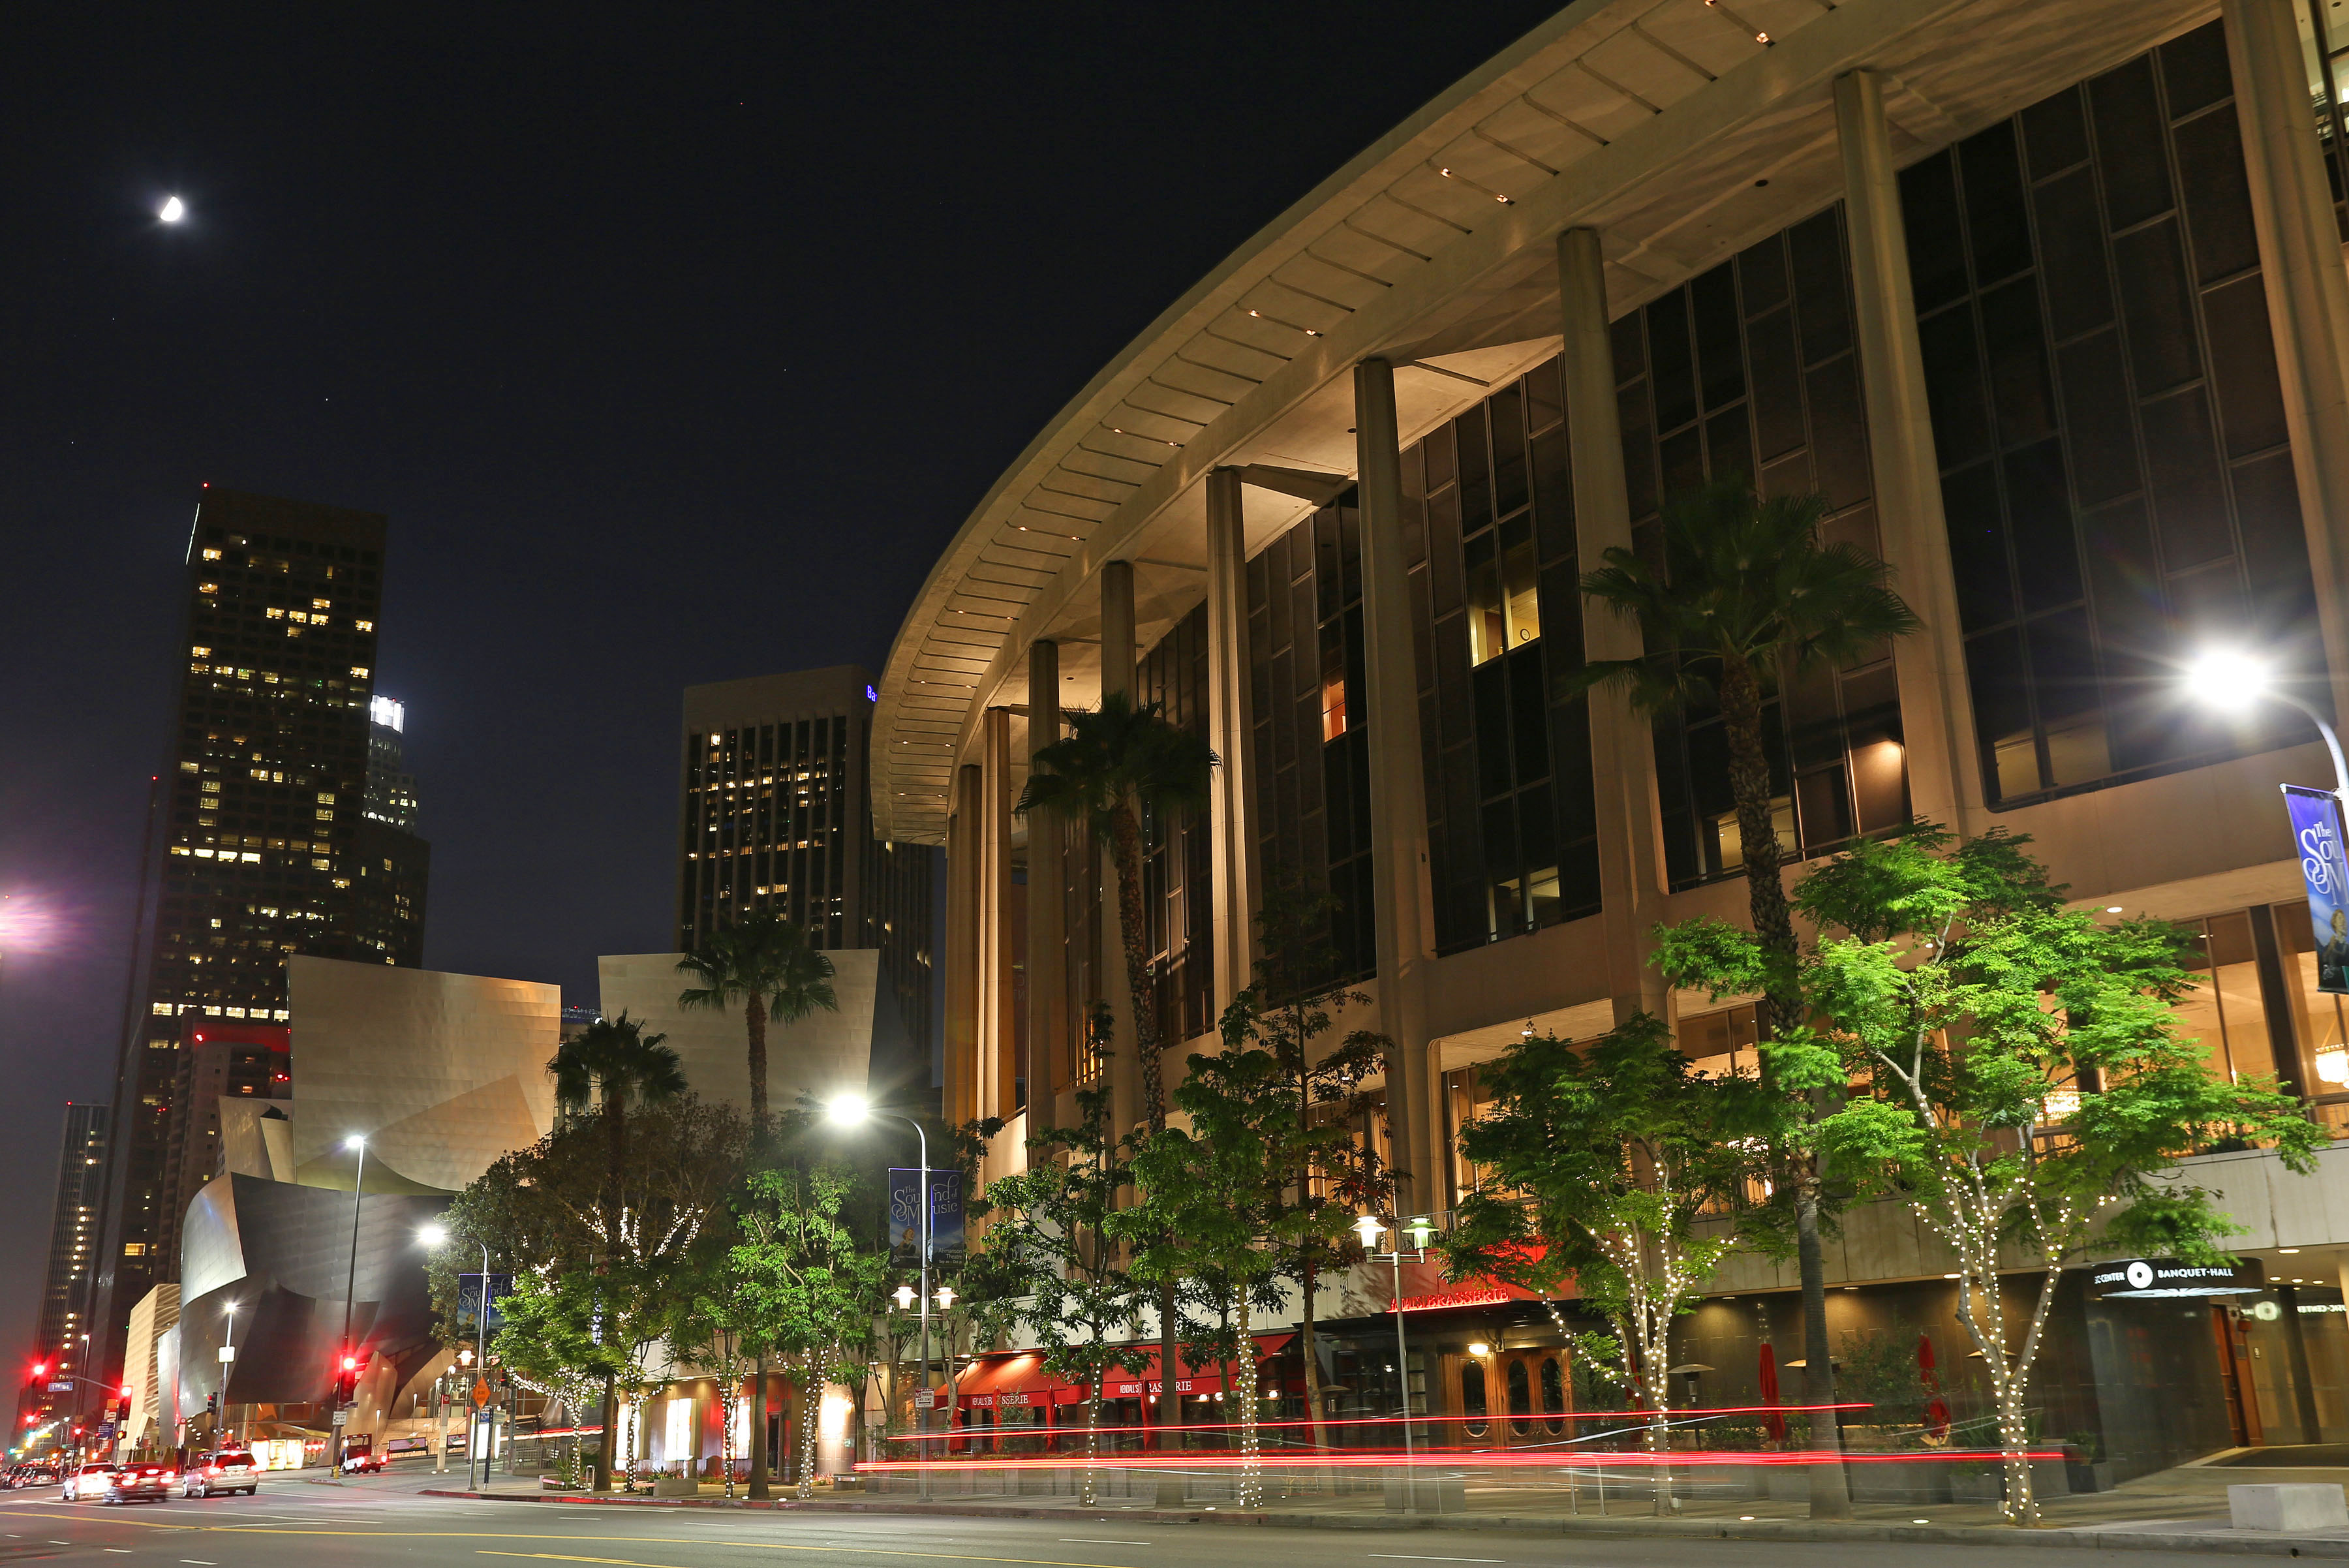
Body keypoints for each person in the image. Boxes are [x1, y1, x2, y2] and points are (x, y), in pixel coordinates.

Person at [2320, 906, 2349, 993]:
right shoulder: (2330, 945)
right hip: (2334, 984)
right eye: (2340, 918)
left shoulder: (2347, 946)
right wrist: (2330, 948)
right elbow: (2324, 960)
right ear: (2335, 923)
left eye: (2343, 919)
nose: (2342, 921)